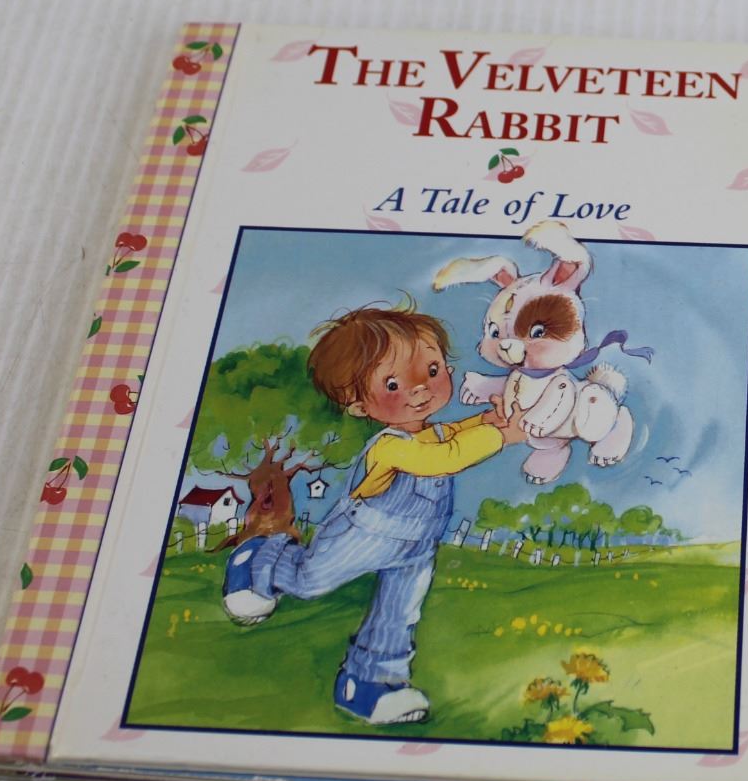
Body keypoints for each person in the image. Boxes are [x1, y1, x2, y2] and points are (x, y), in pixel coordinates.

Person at [219, 303, 527, 725]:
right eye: (395, 383)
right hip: (362, 536)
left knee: (399, 616)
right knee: (310, 580)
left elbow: (453, 435)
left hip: (416, 546)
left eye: (432, 370)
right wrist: (500, 436)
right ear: (359, 406)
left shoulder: (434, 432)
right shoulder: (390, 446)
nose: (421, 389)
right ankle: (257, 561)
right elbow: (444, 459)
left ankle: (369, 685)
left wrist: (487, 420)